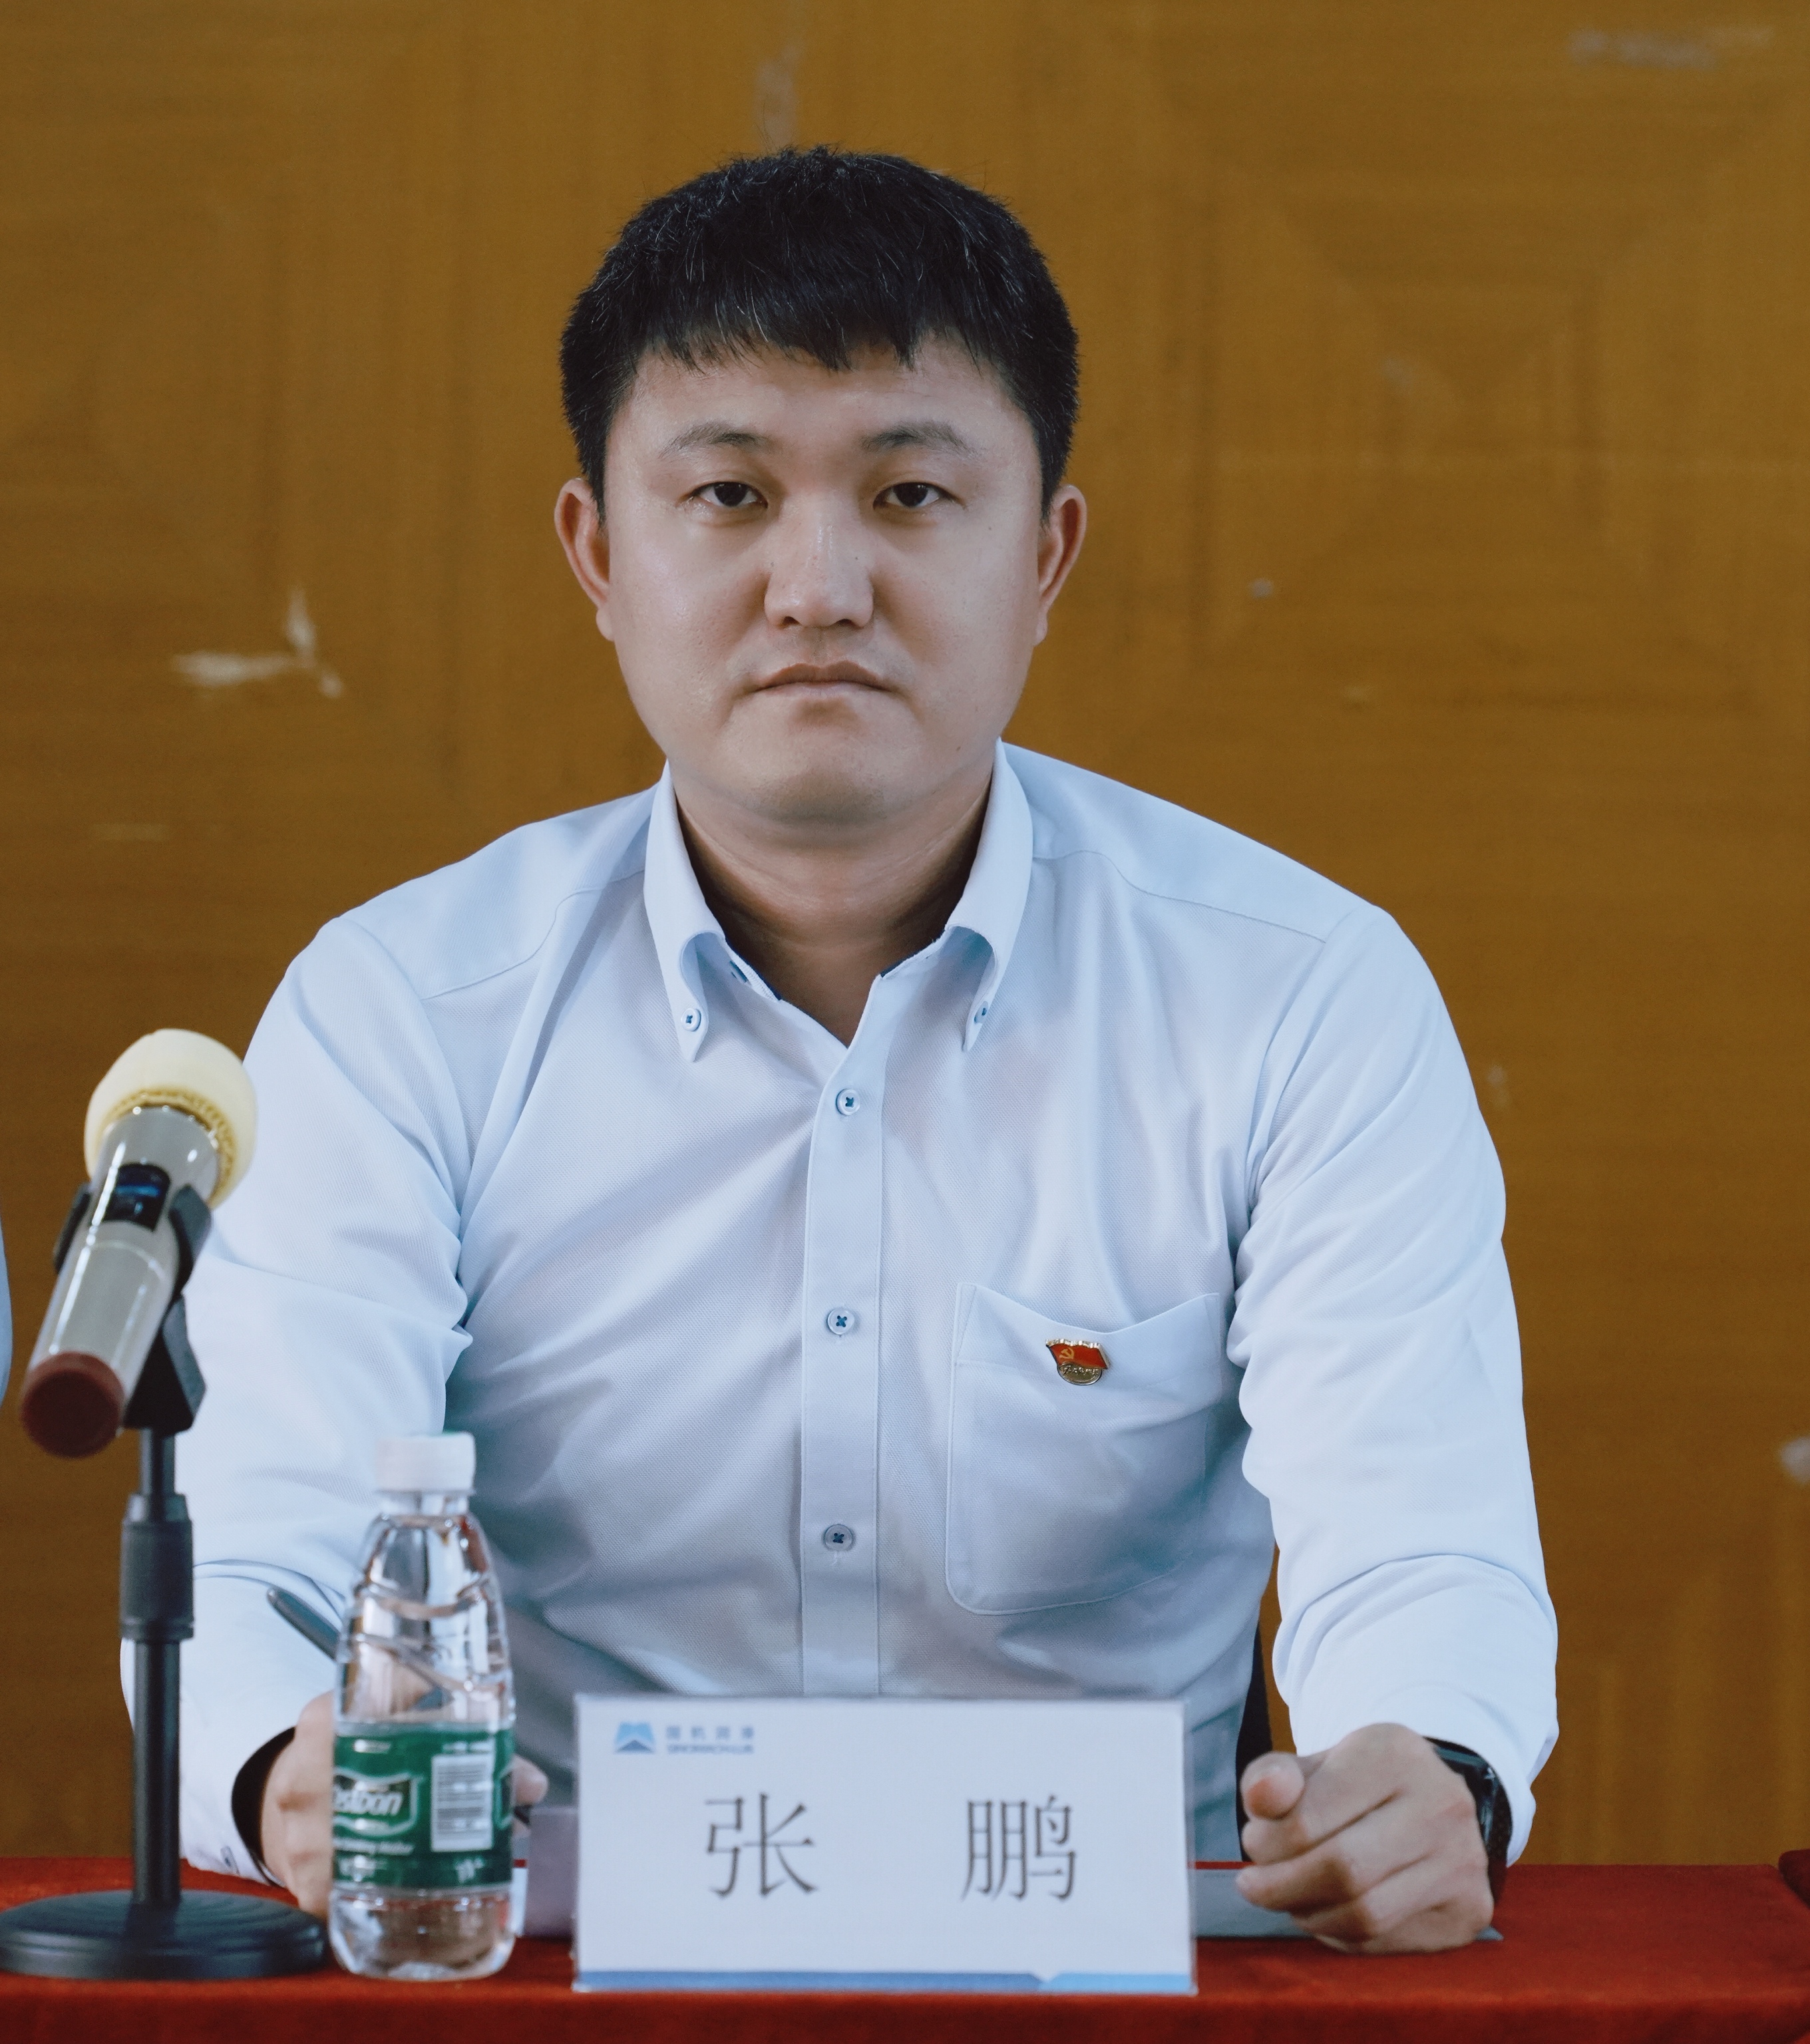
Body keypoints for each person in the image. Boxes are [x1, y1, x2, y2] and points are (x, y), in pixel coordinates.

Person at [170, 146, 1555, 1954]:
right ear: (600, 554)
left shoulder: (1296, 996)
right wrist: (284, 1755)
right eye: (728, 495)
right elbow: (258, 1555)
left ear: (1044, 555)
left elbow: (1419, 1536)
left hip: (1120, 1970)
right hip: (554, 1967)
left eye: (910, 494)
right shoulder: (398, 1011)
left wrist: (1430, 1765)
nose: (819, 588)